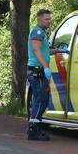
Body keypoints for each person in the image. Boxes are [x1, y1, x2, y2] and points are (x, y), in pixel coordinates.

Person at [26, 9, 53, 141]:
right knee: (40, 99)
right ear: (39, 19)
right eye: (47, 19)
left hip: (39, 70)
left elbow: (44, 50)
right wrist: (46, 67)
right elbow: (36, 49)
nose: (49, 21)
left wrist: (59, 50)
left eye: (49, 19)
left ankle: (36, 127)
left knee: (42, 99)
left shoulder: (41, 33)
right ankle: (33, 129)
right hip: (37, 70)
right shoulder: (37, 32)